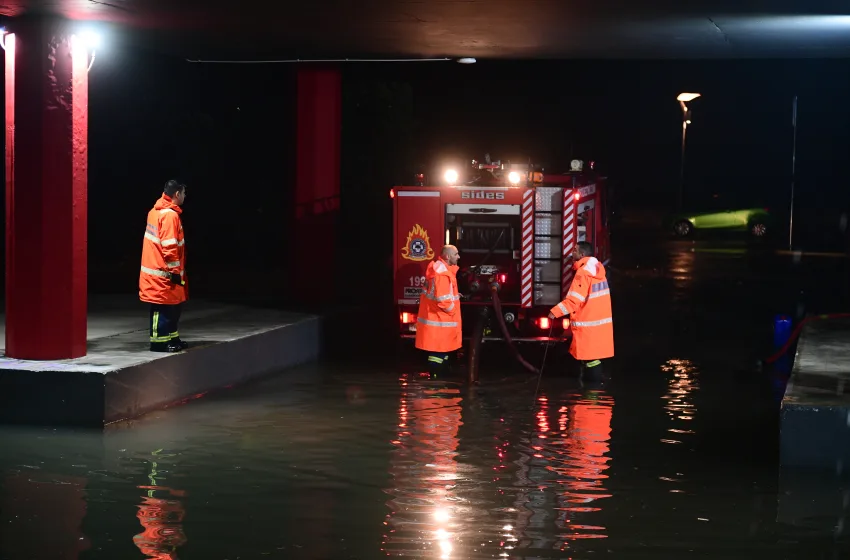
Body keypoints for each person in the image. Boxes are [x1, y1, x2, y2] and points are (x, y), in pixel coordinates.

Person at [548, 241, 614, 380]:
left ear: (582, 254)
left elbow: (574, 300)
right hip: (596, 323)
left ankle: (591, 394)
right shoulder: (596, 269)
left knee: (590, 360)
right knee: (592, 359)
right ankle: (592, 394)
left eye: (574, 250)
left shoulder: (583, 273)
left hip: (588, 323)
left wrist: (555, 312)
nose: (571, 253)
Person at [140, 180, 189, 353]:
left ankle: (172, 338)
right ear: (177, 194)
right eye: (183, 193)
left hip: (158, 270)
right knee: (163, 308)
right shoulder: (169, 215)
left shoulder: (155, 212)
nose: (184, 197)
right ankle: (159, 342)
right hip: (164, 272)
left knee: (171, 306)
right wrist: (175, 271)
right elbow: (170, 245)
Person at [415, 245, 462, 377]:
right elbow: (443, 300)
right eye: (456, 254)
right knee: (438, 354)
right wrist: (453, 311)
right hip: (441, 321)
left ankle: (438, 382)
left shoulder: (440, 270)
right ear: (447, 256)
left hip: (438, 321)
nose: (458, 257)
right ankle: (436, 383)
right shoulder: (442, 274)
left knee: (442, 353)